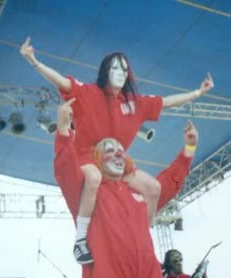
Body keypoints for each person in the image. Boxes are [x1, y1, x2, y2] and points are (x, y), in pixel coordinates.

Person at [20, 37, 214, 265]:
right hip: (88, 156)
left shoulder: (135, 103)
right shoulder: (89, 93)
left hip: (119, 162)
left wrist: (197, 93)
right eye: (115, 67)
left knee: (153, 187)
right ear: (105, 72)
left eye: (124, 68)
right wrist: (34, 61)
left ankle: (144, 232)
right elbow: (62, 82)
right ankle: (81, 239)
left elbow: (167, 102)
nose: (121, 72)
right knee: (93, 177)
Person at [54, 99, 198, 278]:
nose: (117, 153)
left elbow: (172, 183)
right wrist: (62, 131)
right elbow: (64, 169)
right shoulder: (87, 193)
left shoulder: (139, 193)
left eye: (120, 150)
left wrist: (189, 151)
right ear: (97, 159)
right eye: (109, 150)